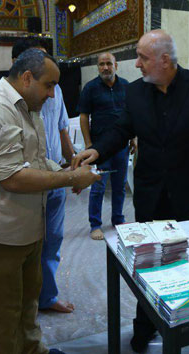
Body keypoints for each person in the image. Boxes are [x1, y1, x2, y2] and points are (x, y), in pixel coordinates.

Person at [72, 29, 189, 352]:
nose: (136, 64)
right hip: (151, 193)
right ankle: (146, 324)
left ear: (165, 60)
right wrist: (97, 149)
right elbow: (122, 129)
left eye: (142, 57)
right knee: (150, 263)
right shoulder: (135, 92)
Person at [0, 48, 100, 354]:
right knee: (6, 315)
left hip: (26, 228)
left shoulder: (28, 108)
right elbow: (12, 177)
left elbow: (34, 161)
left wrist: (66, 170)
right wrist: (70, 180)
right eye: (49, 85)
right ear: (26, 78)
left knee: (27, 304)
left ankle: (34, 350)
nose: (52, 95)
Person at [11, 38, 76, 314]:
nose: (45, 65)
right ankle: (22, 300)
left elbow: (62, 128)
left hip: (56, 175)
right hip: (25, 181)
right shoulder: (3, 102)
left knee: (53, 239)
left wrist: (73, 166)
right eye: (38, 60)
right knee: (25, 244)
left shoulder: (55, 89)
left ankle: (47, 296)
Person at [78, 52, 134, 240]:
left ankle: (118, 219)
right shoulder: (90, 88)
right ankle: (95, 225)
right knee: (98, 187)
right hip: (99, 149)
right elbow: (84, 116)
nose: (105, 67)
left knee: (119, 186)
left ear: (116, 66)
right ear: (98, 67)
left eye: (108, 63)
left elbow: (131, 114)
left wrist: (133, 138)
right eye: (101, 64)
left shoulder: (126, 86)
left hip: (121, 147)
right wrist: (88, 144)